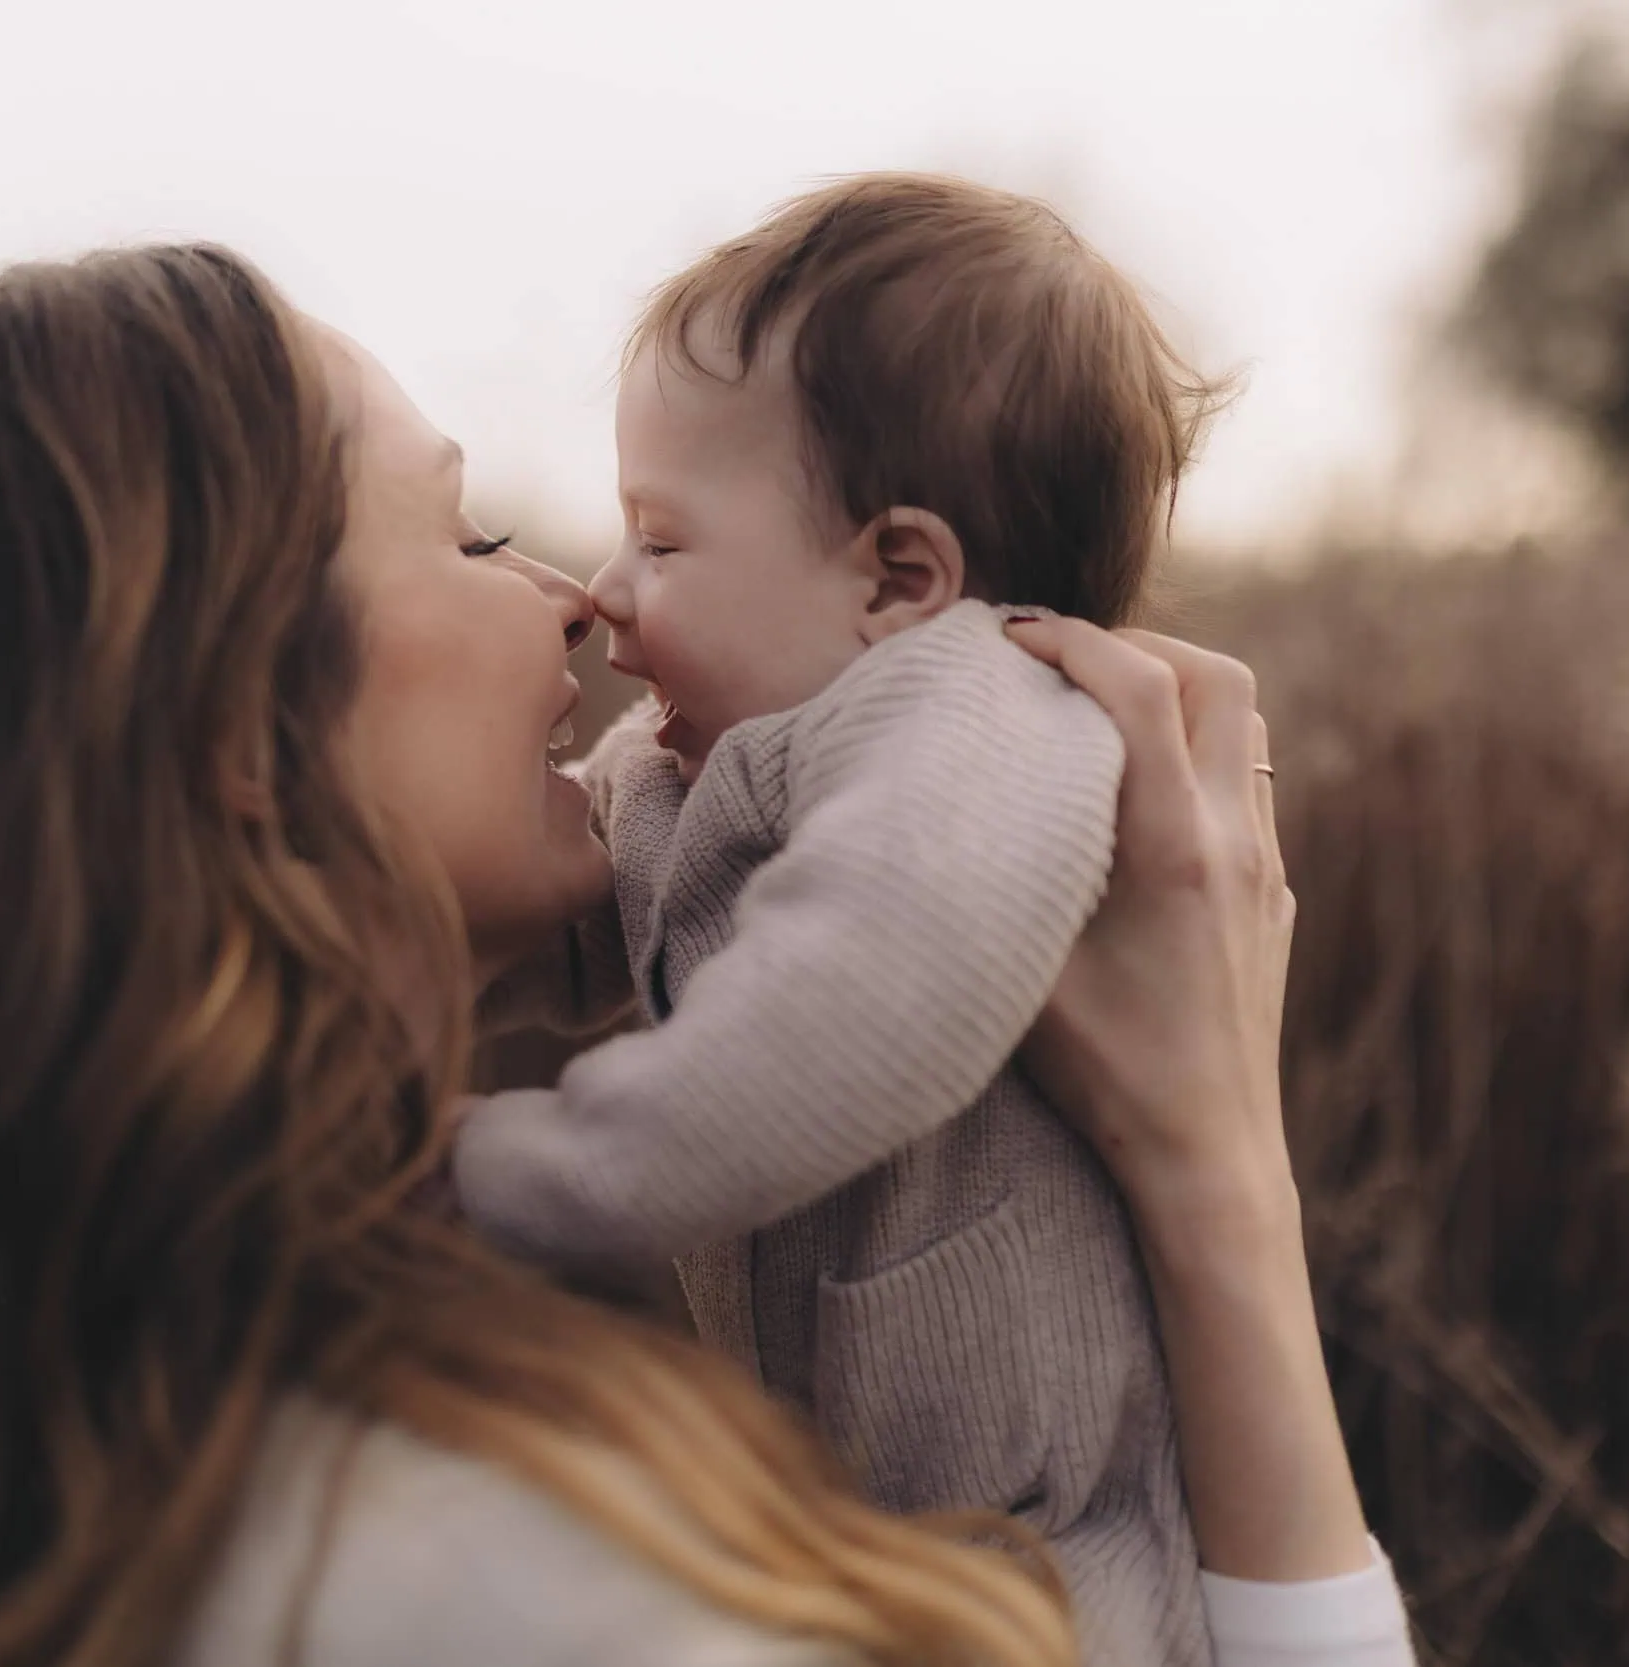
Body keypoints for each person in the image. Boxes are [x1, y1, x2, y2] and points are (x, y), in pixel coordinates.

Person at [0, 243, 1411, 1667]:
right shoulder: (504, 1585)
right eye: (464, 536)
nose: (572, 601)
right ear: (229, 722)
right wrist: (1213, 1173)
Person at [453, 174, 1217, 1664]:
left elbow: (877, 979)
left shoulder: (979, 712)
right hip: (893, 1546)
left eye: (662, 544)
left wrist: (510, 1173)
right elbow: (594, 906)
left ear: (900, 577)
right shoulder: (732, 758)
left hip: (1062, 1569)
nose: (609, 593)